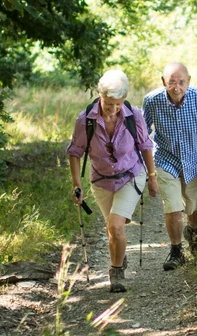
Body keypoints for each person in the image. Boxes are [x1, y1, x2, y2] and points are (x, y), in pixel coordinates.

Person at [66, 68, 159, 293]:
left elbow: (145, 146)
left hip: (130, 175)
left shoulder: (134, 115)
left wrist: (152, 176)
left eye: (119, 103)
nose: (114, 108)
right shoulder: (85, 120)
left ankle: (116, 272)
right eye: (109, 103)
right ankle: (120, 253)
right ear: (100, 95)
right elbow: (75, 152)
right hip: (101, 180)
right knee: (113, 228)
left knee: (116, 225)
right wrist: (76, 184)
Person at [142, 62, 197, 271]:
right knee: (173, 207)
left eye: (181, 82)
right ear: (163, 82)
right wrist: (143, 167)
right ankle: (176, 251)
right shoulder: (152, 100)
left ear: (188, 81)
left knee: (193, 206)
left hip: (194, 161)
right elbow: (142, 135)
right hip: (165, 160)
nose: (176, 87)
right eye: (171, 82)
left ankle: (193, 232)